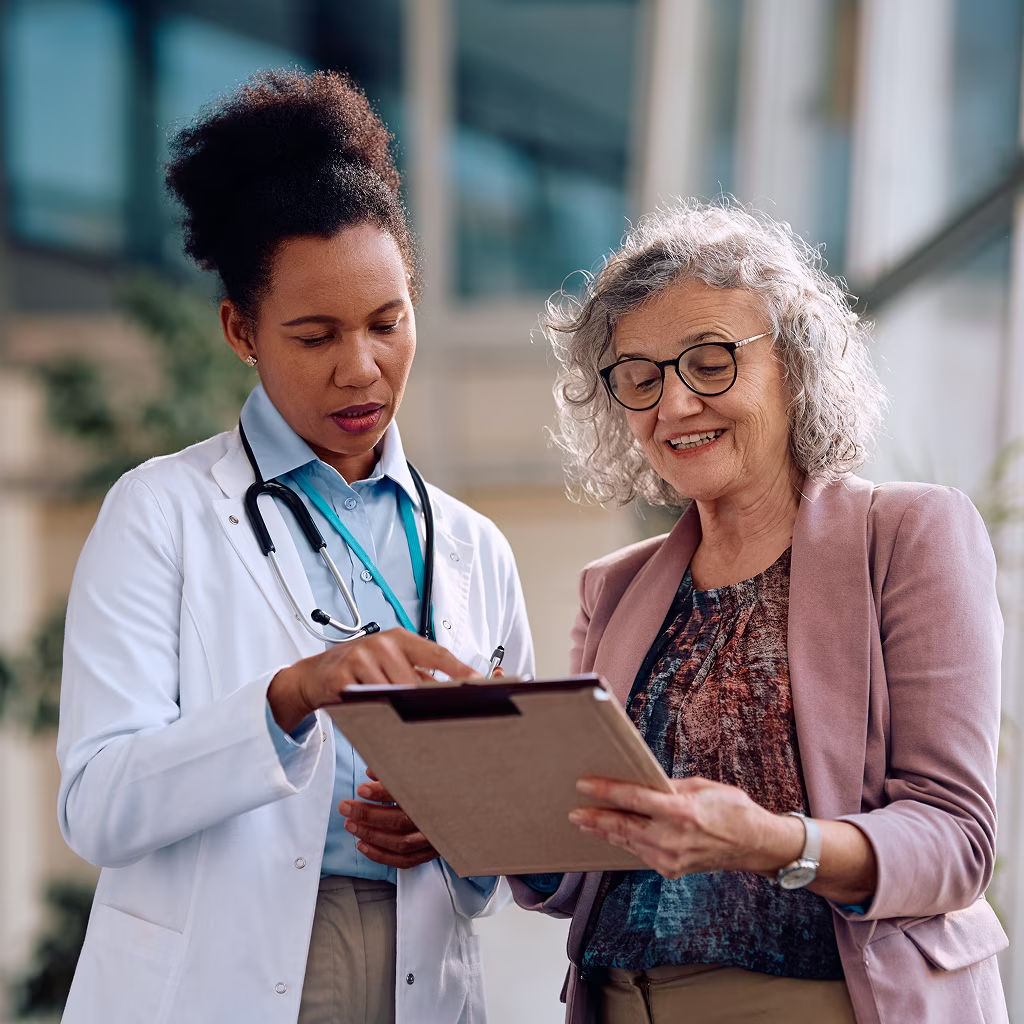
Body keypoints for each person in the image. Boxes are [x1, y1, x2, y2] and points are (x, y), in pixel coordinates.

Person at [56, 69, 533, 1024]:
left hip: (418, 972)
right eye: (315, 336)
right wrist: (291, 694)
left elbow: (514, 839)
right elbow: (98, 803)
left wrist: (452, 825)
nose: (361, 368)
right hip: (225, 975)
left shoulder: (474, 549)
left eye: (387, 323)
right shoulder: (161, 514)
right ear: (241, 330)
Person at [509, 201, 1008, 1024]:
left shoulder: (909, 534)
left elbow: (957, 841)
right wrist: (478, 800)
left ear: (795, 366)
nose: (672, 408)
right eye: (640, 377)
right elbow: (577, 869)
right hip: (618, 1003)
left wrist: (776, 843)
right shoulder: (617, 588)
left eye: (710, 362)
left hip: (826, 1005)